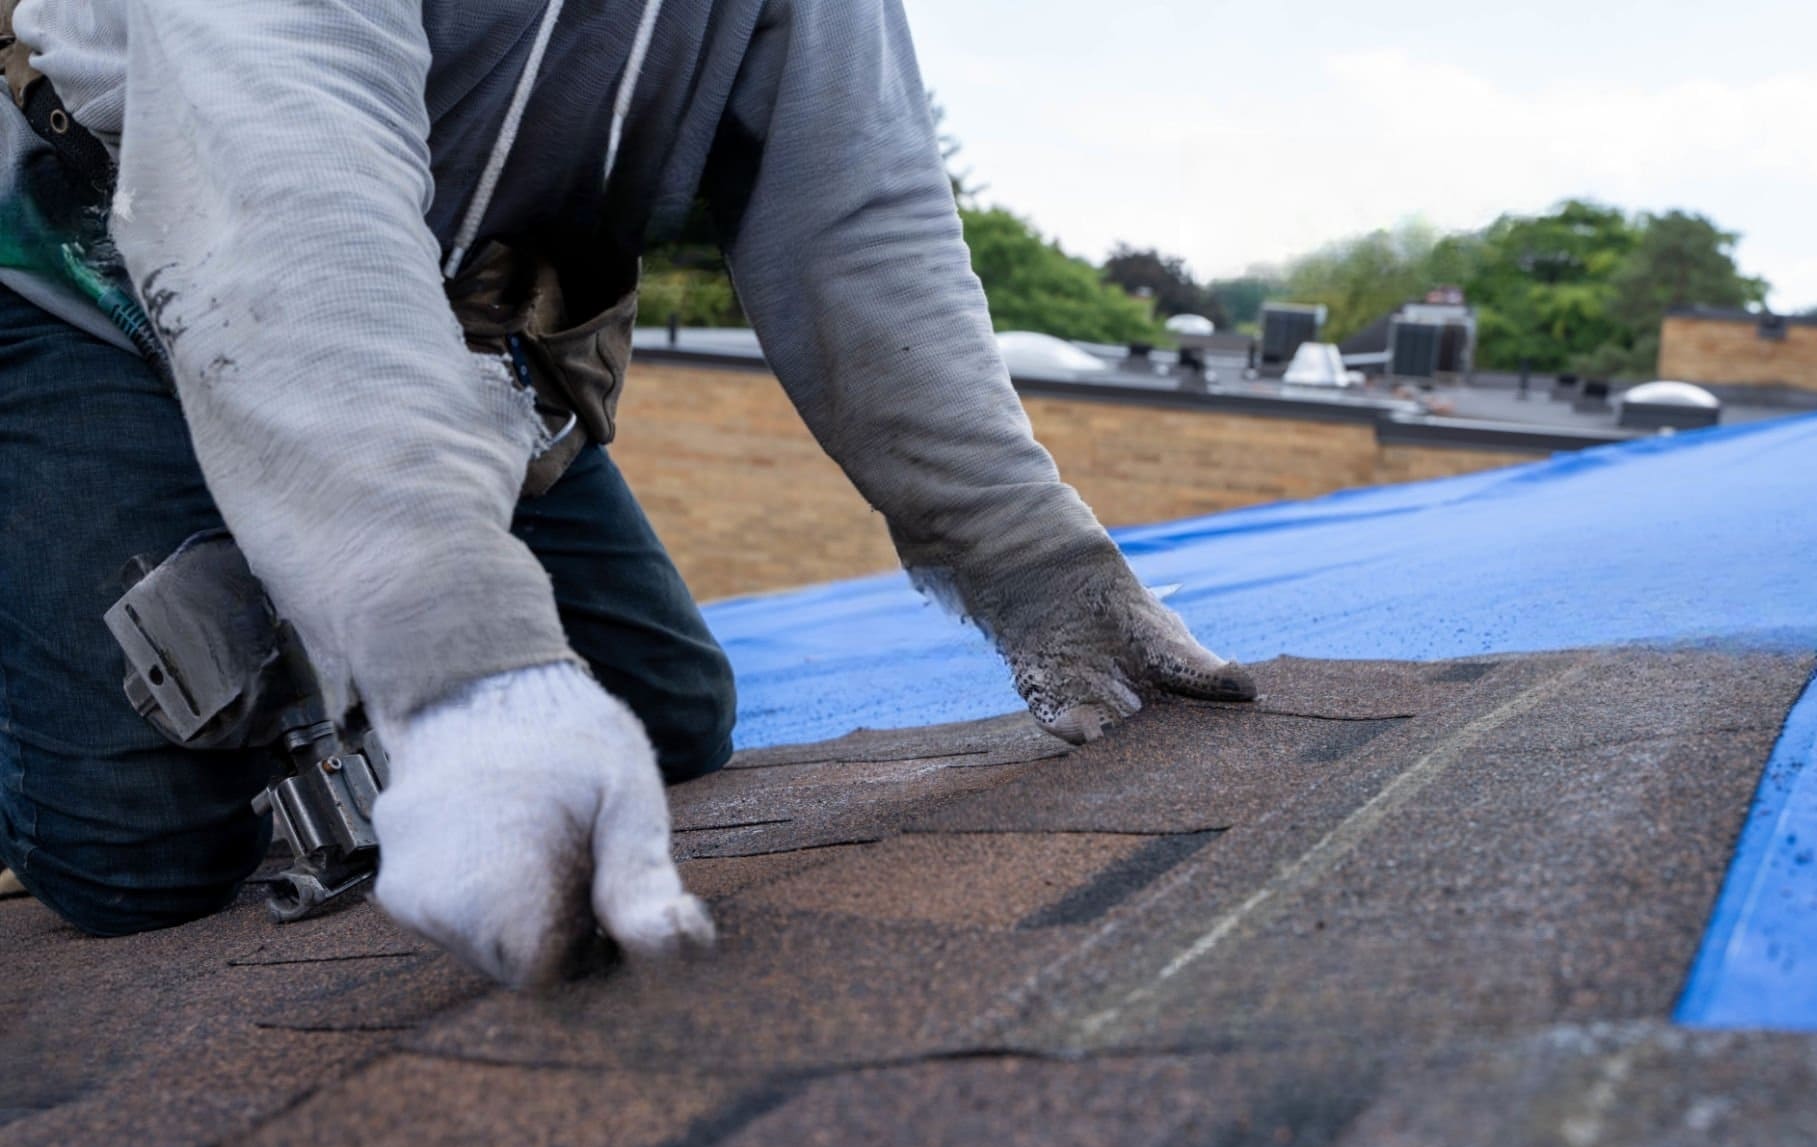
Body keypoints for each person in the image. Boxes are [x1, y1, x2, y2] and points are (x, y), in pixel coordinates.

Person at [0, 0, 1254, 985]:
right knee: (140, 857)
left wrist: (1030, 561)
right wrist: (458, 671)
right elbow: (283, 202)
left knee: (665, 717)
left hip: (429, 312)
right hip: (97, 275)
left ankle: (294, 550)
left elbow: (852, 209)